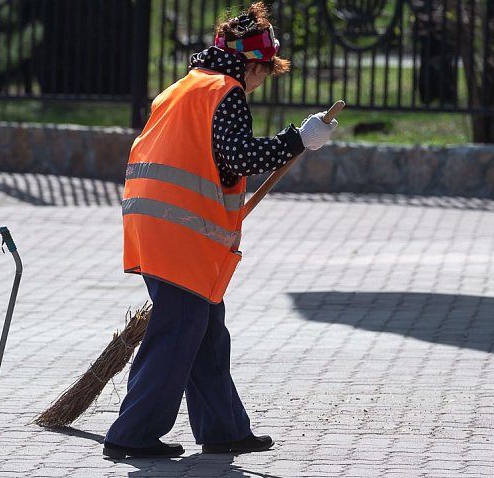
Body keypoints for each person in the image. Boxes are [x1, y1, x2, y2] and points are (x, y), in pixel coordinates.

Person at [103, 2, 337, 459]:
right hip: (180, 231)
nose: (261, 81)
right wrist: (297, 141)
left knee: (206, 327)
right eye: (264, 72)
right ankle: (131, 434)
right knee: (180, 327)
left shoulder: (182, 88)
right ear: (250, 63)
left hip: (154, 223)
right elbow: (240, 159)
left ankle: (223, 429)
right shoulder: (224, 92)